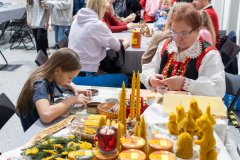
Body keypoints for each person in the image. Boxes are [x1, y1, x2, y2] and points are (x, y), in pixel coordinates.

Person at [140, 3, 225, 97]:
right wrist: (151, 78)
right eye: (174, 32)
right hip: (162, 105)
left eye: (184, 33)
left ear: (197, 30)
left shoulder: (209, 55)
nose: (177, 38)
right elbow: (149, 67)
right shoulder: (166, 45)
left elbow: (217, 89)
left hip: (193, 109)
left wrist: (185, 83)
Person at [16, 48, 91, 131]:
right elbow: (46, 115)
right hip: (35, 130)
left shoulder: (49, 74)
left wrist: (75, 87)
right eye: (70, 77)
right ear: (57, 70)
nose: (70, 81)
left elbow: (63, 81)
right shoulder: (40, 84)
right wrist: (72, 100)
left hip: (42, 125)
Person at [68, 0, 130, 87]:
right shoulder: (97, 25)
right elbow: (118, 47)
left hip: (71, 74)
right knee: (124, 78)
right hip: (86, 77)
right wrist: (126, 42)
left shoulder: (76, 21)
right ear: (102, 7)